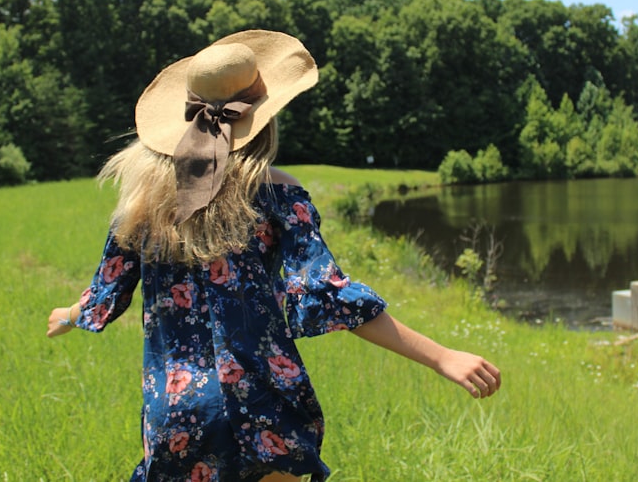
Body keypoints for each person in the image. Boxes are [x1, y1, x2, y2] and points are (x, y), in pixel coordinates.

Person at [46, 30, 501, 482]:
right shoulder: (277, 193)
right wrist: (442, 356)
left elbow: (108, 289)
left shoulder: (143, 201)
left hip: (175, 408)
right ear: (263, 117)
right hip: (259, 403)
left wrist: (68, 315)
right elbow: (330, 296)